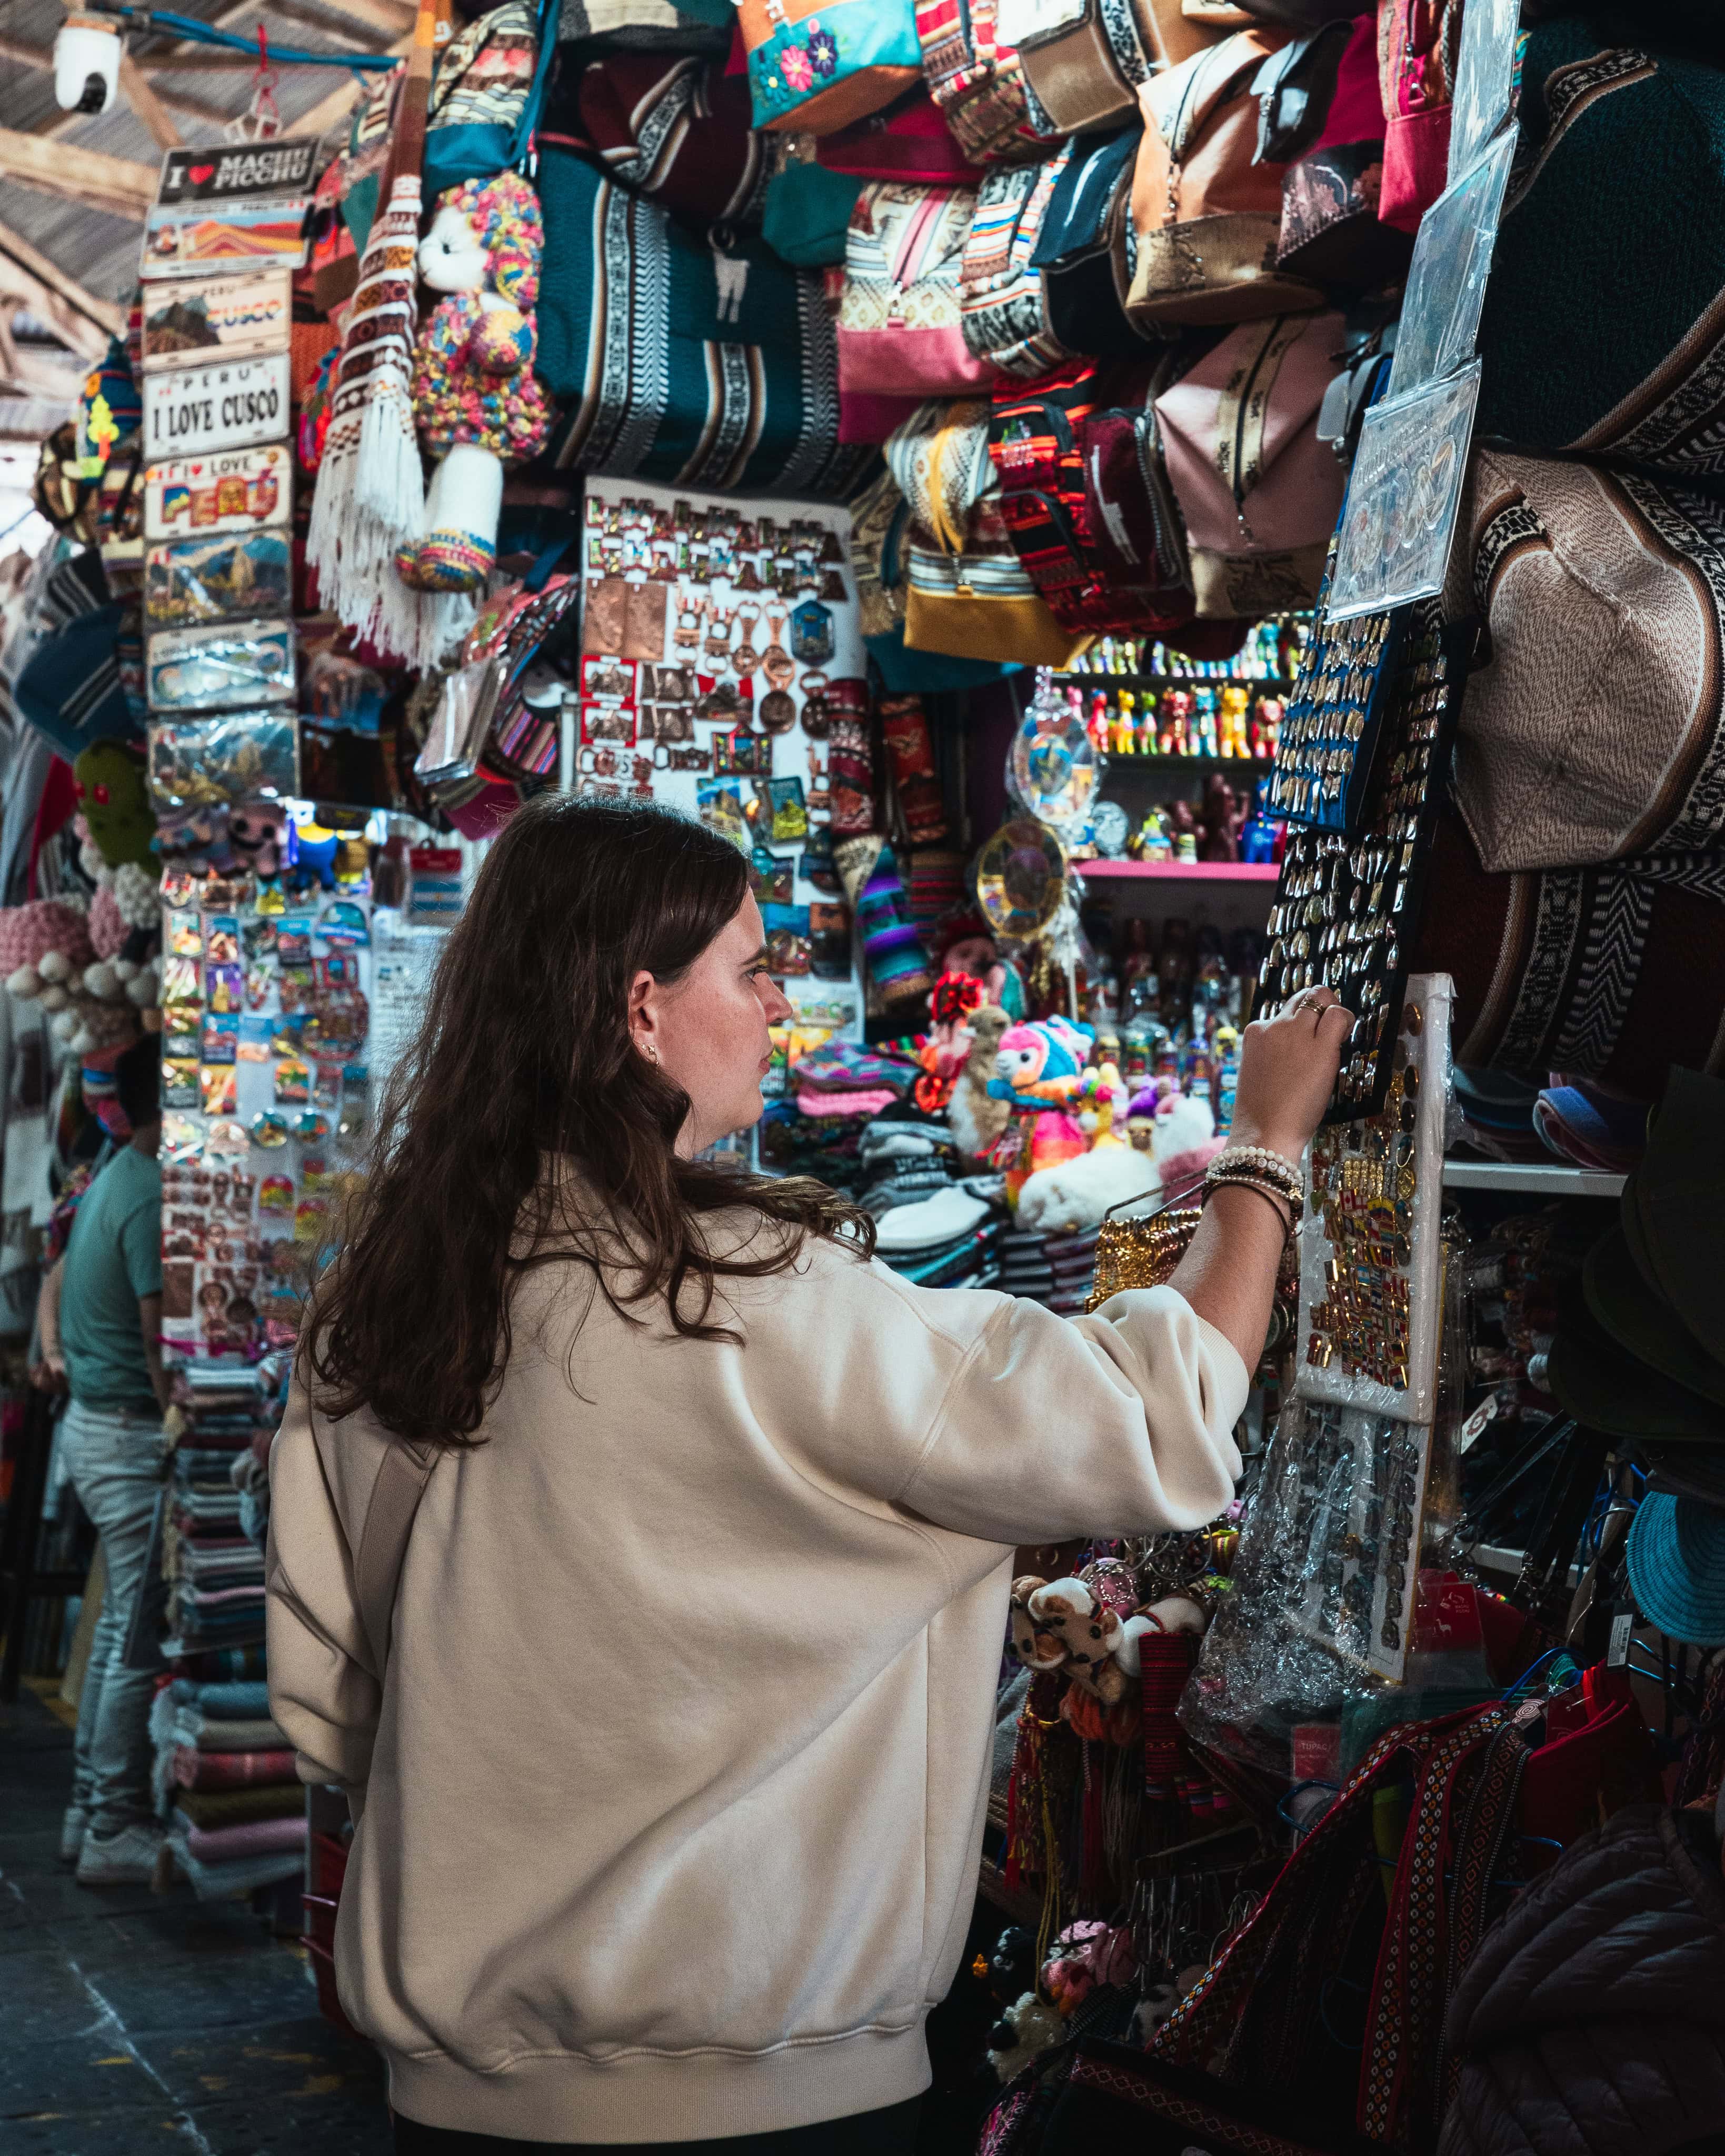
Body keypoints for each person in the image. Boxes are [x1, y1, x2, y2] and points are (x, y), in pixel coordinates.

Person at [266, 798, 1349, 2155]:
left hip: (453, 2099)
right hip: (768, 2102)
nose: (782, 1005)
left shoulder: (382, 1311)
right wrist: (1263, 1145)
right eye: (754, 967)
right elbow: (1154, 1411)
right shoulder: (764, 1311)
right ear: (641, 1011)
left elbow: (329, 1708)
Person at [43, 1032, 171, 1884]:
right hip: (124, 1433)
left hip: (93, 1426)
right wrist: (184, 1417)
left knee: (122, 1629)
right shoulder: (148, 1193)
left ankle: (90, 1811)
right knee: (133, 1641)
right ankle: (113, 1824)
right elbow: (159, 1340)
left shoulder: (110, 1180)